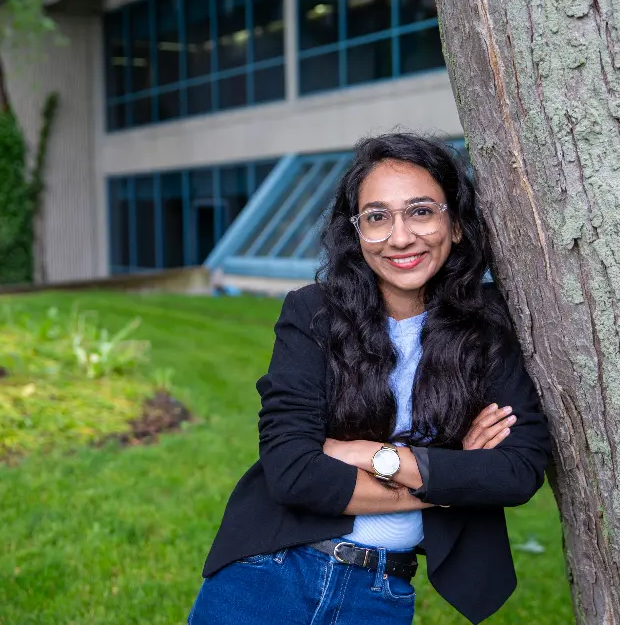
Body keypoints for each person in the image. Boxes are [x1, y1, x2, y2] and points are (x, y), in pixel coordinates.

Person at [187, 133, 552, 625]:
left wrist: (369, 455)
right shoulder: (312, 313)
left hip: (380, 593)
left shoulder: (490, 326)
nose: (400, 237)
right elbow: (292, 470)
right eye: (377, 217)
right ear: (357, 235)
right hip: (269, 573)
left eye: (421, 211)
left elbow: (518, 471)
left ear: (457, 224)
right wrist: (450, 476)